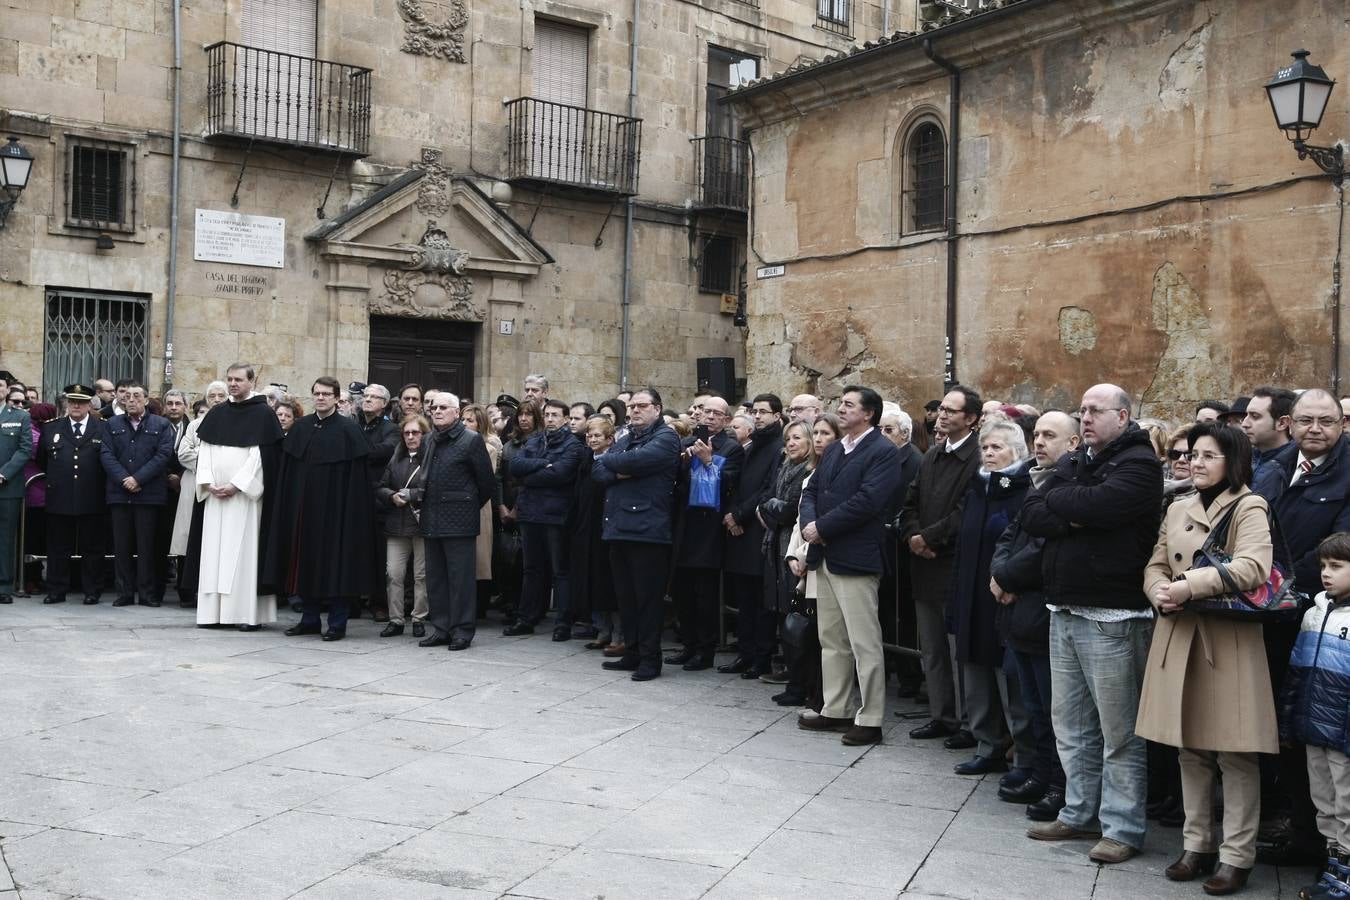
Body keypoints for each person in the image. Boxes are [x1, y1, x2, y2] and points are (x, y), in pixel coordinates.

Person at [1021, 384, 1162, 865]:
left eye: (1095, 411)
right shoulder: (1078, 459)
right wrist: (1075, 510)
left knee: (1119, 730)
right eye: (1081, 411)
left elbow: (1097, 507)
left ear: (1122, 417)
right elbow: (1032, 511)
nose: (1085, 418)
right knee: (1072, 723)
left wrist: (1070, 506)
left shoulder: (1141, 465)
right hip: (1065, 608)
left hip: (1113, 616)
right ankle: (1079, 812)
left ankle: (1122, 827)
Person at [1132, 422, 1275, 895]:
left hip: (1228, 640)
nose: (1195, 462)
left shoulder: (1250, 504)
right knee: (1189, 748)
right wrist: (1159, 592)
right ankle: (1197, 845)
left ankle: (1237, 855)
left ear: (1232, 461)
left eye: (1208, 455)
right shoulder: (1177, 507)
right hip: (1178, 632)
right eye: (1193, 455)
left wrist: (1187, 586)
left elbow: (1253, 566)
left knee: (1235, 754)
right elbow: (1155, 561)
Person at [1253, 388, 1350, 867]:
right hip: (1268, 616)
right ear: (1290, 423)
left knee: (1317, 736)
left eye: (1327, 421)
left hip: (1315, 621)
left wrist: (1279, 583)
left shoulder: (1349, 473)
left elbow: (1341, 551)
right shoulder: (1272, 467)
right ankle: (1304, 830)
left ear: (1341, 425)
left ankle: (1325, 841)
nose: (1317, 429)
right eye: (1307, 420)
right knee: (1282, 730)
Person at [794, 386, 901, 746]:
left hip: (856, 557)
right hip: (824, 555)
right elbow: (811, 491)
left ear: (869, 413)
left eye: (848, 404)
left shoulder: (882, 452)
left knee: (864, 642)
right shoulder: (837, 448)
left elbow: (868, 501)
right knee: (832, 638)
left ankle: (870, 717)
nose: (840, 408)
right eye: (841, 403)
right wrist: (812, 527)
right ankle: (835, 707)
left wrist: (822, 527)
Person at [991, 410, 1081, 822]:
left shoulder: (1073, 485)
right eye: (1038, 434)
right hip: (1019, 610)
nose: (1040, 441)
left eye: (1050, 435)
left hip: (1042, 607)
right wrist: (998, 572)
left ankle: (1060, 784)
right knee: (1032, 704)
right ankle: (1039, 774)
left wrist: (1006, 576)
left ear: (1074, 443)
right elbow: (1012, 534)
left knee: (1054, 707)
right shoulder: (1034, 479)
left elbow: (1044, 544)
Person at [948, 420, 1036, 777]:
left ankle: (1025, 752)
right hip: (972, 592)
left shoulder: (1024, 489)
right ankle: (988, 744)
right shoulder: (977, 488)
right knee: (975, 670)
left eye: (997, 447)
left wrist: (1009, 580)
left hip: (1006, 595)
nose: (989, 453)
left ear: (1017, 451)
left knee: (1011, 678)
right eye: (985, 447)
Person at [898, 385, 983, 744]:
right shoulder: (932, 455)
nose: (942, 415)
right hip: (924, 564)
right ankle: (941, 714)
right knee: (932, 648)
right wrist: (913, 536)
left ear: (972, 419)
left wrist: (928, 539)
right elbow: (910, 501)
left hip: (952, 564)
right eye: (942, 409)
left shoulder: (978, 459)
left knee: (956, 650)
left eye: (952, 410)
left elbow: (965, 513)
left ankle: (967, 721)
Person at [267, 376, 376, 642]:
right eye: (317, 393)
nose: (321, 398)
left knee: (336, 565)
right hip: (304, 512)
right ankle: (309, 620)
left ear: (337, 398)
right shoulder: (301, 428)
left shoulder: (349, 430)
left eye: (326, 394)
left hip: (337, 513)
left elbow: (358, 481)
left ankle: (337, 623)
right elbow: (289, 473)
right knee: (305, 563)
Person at [591, 388, 682, 681]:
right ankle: (631, 652)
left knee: (647, 600)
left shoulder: (666, 437)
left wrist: (617, 464)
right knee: (626, 598)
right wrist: (619, 466)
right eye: (631, 407)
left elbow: (630, 462)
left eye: (641, 406)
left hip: (648, 530)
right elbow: (599, 470)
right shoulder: (627, 436)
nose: (634, 412)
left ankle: (650, 659)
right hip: (618, 527)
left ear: (657, 408)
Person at [1280, 532, 1350, 900]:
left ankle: (1347, 877)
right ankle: (1334, 867)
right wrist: (1289, 722)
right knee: (1323, 801)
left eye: (1336, 567)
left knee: (1347, 805)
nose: (1326, 573)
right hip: (1313, 728)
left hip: (1343, 734)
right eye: (1323, 566)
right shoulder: (1314, 610)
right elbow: (1297, 672)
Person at [193, 364, 285, 631]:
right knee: (214, 553)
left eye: (238, 379)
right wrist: (208, 482)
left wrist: (236, 485)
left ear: (251, 381)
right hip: (215, 497)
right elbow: (206, 448)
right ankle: (212, 614)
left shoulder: (264, 414)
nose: (233, 384)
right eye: (229, 379)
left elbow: (261, 457)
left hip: (244, 499)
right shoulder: (218, 412)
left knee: (243, 555)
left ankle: (245, 615)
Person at [668, 395, 744, 670]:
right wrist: (684, 462)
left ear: (726, 420)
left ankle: (706, 649)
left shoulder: (732, 448)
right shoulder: (686, 444)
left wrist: (710, 461)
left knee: (705, 594)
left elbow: (731, 484)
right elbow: (675, 482)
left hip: (709, 528)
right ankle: (688, 644)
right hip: (684, 525)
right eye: (705, 411)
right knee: (681, 590)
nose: (710, 416)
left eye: (717, 413)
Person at [417, 392, 495, 651]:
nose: (436, 411)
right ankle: (441, 628)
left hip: (460, 520)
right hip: (432, 517)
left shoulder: (470, 440)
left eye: (443, 407)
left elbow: (486, 484)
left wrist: (466, 504)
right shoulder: (428, 439)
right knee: (436, 578)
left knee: (460, 579)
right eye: (433, 407)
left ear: (456, 412)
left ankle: (462, 630)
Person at [506, 398, 585, 639]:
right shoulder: (534, 440)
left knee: (560, 569)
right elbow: (515, 466)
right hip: (530, 512)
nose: (550, 419)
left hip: (555, 514)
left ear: (565, 419)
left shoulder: (573, 445)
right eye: (547, 414)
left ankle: (563, 621)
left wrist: (529, 476)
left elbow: (561, 474)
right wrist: (543, 464)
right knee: (532, 568)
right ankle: (526, 617)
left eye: (555, 415)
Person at [720, 393, 784, 678]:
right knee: (744, 598)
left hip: (759, 528)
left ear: (777, 416)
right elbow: (740, 483)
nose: (757, 417)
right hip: (742, 529)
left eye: (764, 412)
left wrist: (740, 513)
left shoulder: (778, 446)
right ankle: (745, 654)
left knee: (761, 601)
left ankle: (761, 656)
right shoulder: (751, 446)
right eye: (755, 412)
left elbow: (768, 489)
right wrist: (733, 513)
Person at [781, 414, 843, 709]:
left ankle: (822, 695)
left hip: (822, 560)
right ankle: (805, 687)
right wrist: (793, 554)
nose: (819, 439)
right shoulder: (810, 473)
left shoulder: (837, 472)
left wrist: (805, 555)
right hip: (805, 559)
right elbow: (799, 522)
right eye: (815, 433)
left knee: (824, 634)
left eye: (825, 434)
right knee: (805, 630)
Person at [99, 382, 174, 608]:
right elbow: (106, 453)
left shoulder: (161, 424)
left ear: (146, 399)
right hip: (120, 493)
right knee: (121, 547)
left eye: (136, 396)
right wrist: (125, 479)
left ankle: (148, 594)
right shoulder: (111, 424)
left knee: (147, 547)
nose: (130, 400)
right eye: (127, 396)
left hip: (149, 495)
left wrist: (138, 479)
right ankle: (124, 592)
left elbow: (163, 455)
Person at [39, 385, 108, 605]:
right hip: (60, 496)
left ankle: (92, 590)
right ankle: (56, 590)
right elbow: (43, 460)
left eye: (81, 402)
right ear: (66, 403)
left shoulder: (102, 428)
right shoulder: (51, 428)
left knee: (93, 548)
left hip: (92, 496)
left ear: (89, 404)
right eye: (72, 401)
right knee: (58, 547)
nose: (76, 406)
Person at [758, 420, 814, 677]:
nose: (790, 443)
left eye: (797, 438)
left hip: (793, 546)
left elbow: (791, 511)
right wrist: (772, 506)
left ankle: (798, 669)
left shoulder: (806, 471)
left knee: (795, 608)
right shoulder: (784, 467)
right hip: (775, 542)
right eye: (788, 438)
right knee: (782, 607)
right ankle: (790, 663)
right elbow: (768, 505)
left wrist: (771, 506)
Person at [169, 381, 227, 608]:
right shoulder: (195, 425)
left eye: (221, 395)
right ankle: (186, 589)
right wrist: (212, 464)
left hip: (223, 488)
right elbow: (183, 454)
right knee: (188, 537)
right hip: (194, 484)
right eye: (212, 395)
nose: (217, 399)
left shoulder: (236, 425)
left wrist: (212, 460)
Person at [376, 414, 431, 638]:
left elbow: (434, 488)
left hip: (421, 524)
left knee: (421, 575)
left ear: (424, 435)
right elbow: (381, 486)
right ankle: (396, 620)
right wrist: (391, 496)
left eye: (415, 432)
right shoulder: (396, 457)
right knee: (394, 574)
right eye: (406, 433)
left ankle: (419, 619)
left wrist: (412, 495)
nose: (410, 437)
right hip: (396, 525)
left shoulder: (430, 458)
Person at [572, 416, 619, 652]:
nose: (592, 439)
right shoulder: (586, 459)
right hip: (587, 525)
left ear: (610, 439)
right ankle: (602, 629)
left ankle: (617, 635)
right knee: (592, 578)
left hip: (607, 525)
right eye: (589, 435)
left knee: (609, 581)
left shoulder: (614, 460)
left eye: (597, 436)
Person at [461, 404, 503, 618]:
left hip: (479, 504)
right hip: (459, 504)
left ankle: (479, 606)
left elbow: (483, 477)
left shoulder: (489, 446)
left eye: (470, 420)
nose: (465, 424)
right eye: (463, 420)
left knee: (480, 556)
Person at [0, 387, 33, 604]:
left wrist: (4, 473)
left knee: (5, 538)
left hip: (7, 486)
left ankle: (4, 585)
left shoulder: (20, 416)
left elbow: (25, 449)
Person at [21, 401, 56, 595]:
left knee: (36, 539)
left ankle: (35, 577)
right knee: (34, 540)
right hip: (36, 494)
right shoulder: (36, 436)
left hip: (41, 494)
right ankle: (31, 579)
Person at [1243, 385, 1296, 488]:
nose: (1244, 423)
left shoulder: (1295, 469)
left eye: (1255, 416)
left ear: (1282, 423)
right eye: (1246, 416)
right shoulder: (1245, 459)